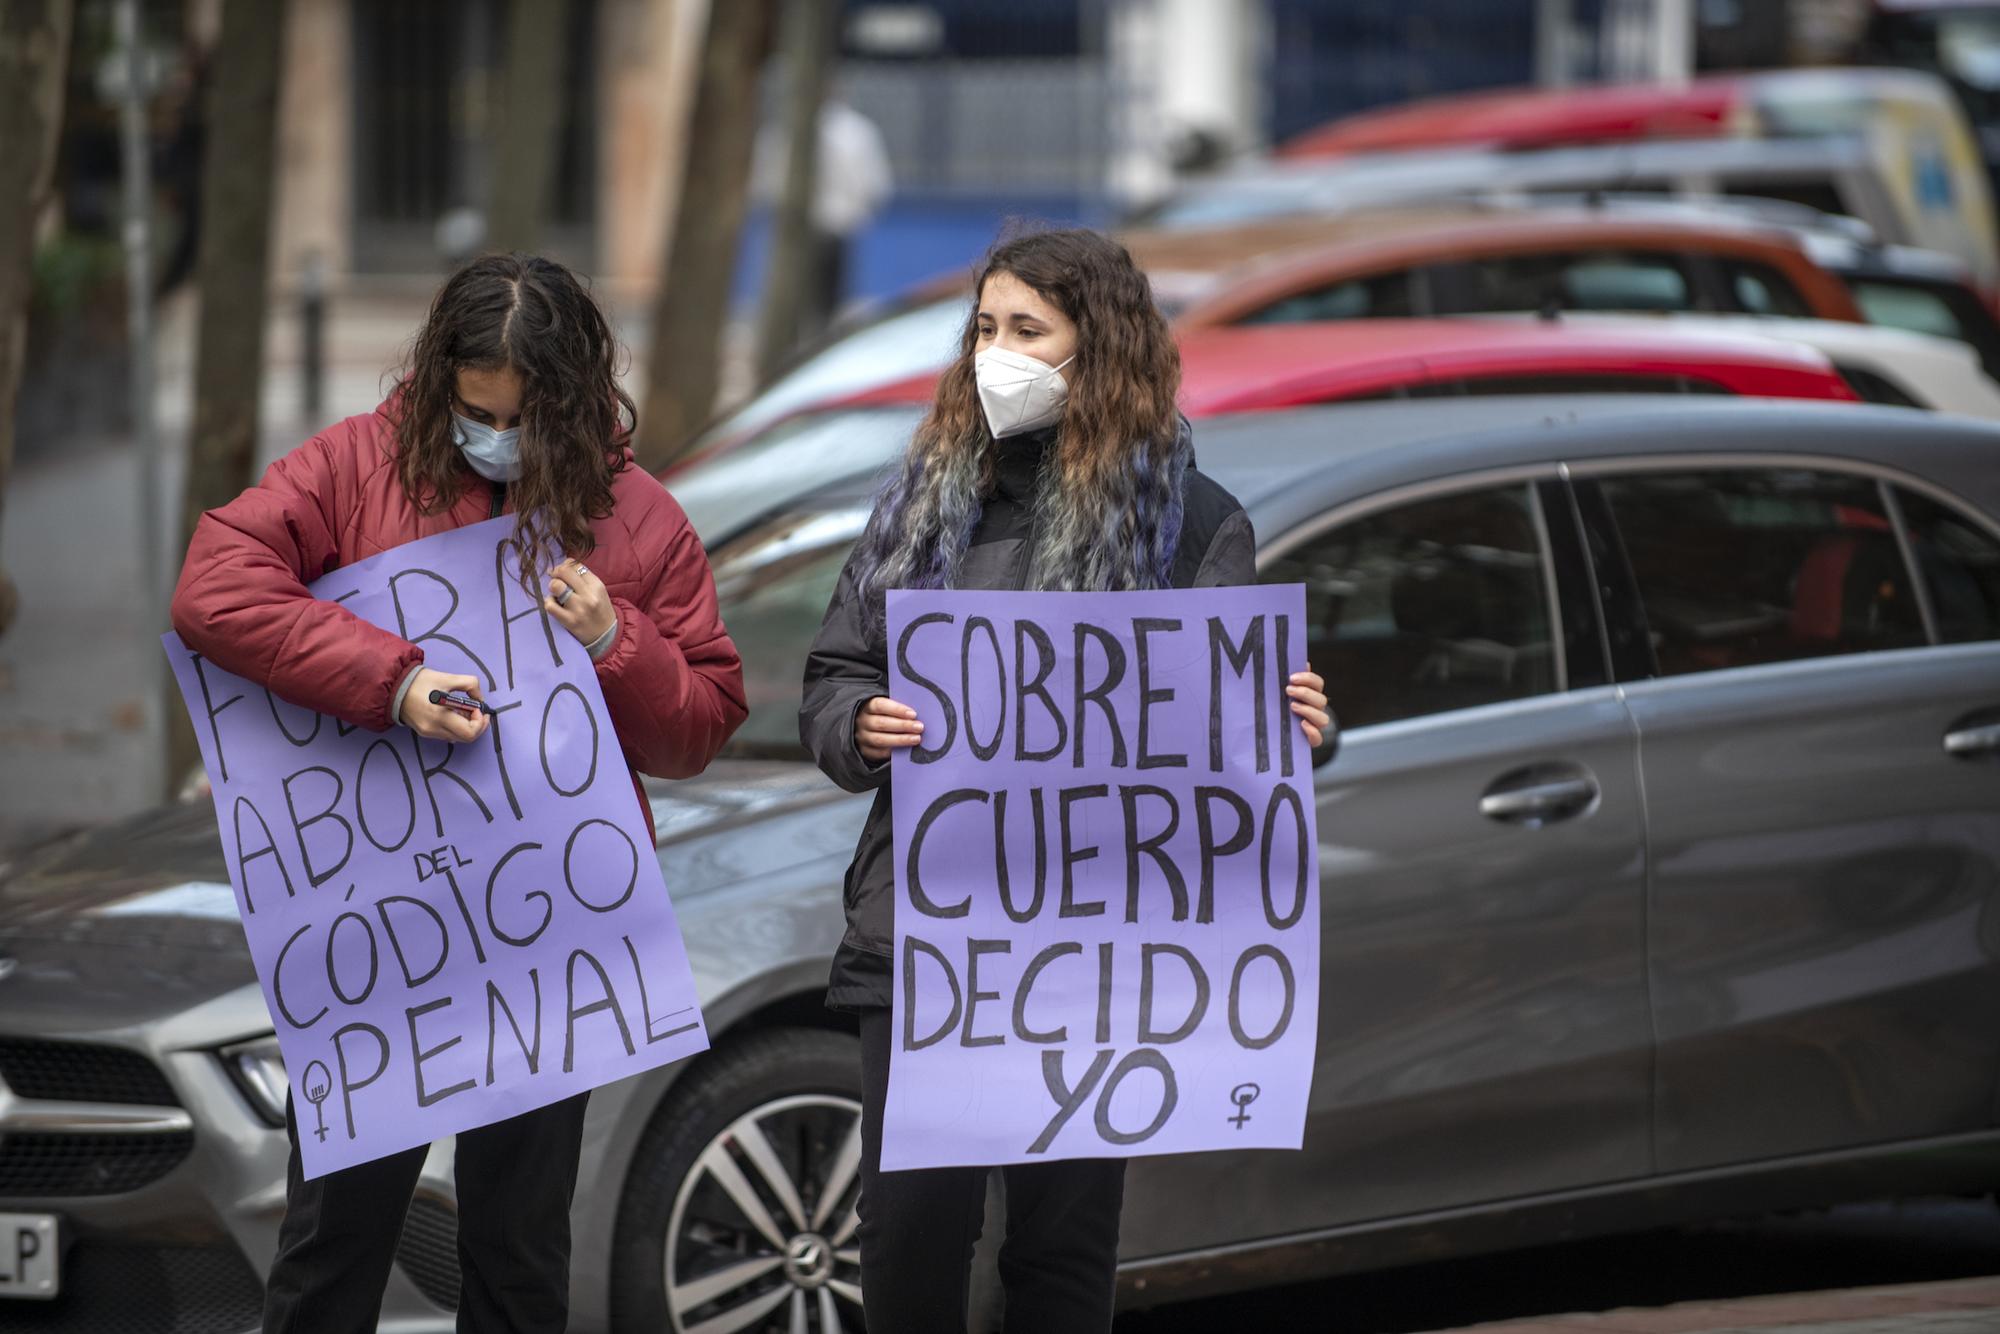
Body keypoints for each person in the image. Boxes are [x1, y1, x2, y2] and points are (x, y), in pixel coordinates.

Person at [169, 252, 747, 1334]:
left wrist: (614, 642)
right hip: (379, 917)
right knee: (334, 1237)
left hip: (546, 926)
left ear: (573, 399)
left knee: (519, 1248)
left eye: (523, 417)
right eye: (475, 412)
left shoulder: (640, 517)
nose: (497, 437)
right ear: (440, 380)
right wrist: (393, 681)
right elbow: (215, 584)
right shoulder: (352, 467)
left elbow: (701, 725)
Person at [799, 228, 1332, 1333]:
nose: (995, 352)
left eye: (1025, 331)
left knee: (1060, 1244)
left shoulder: (1188, 523)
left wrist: (1298, 730)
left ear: (1096, 353)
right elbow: (835, 670)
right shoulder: (924, 505)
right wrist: (857, 720)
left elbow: (1234, 736)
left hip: (1092, 949)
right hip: (928, 944)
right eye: (984, 328)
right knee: (909, 1240)